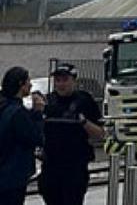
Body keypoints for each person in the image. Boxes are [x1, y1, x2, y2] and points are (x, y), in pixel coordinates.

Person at [39, 63, 104, 205]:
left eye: (65, 80)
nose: (61, 84)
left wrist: (83, 122)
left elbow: (100, 134)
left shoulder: (84, 101)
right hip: (51, 167)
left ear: (74, 80)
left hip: (75, 167)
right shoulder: (48, 101)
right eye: (58, 80)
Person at [0, 67, 44, 205]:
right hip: (12, 176)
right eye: (28, 81)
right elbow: (35, 137)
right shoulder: (17, 113)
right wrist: (38, 113)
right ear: (21, 84)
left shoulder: (4, 107)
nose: (31, 85)